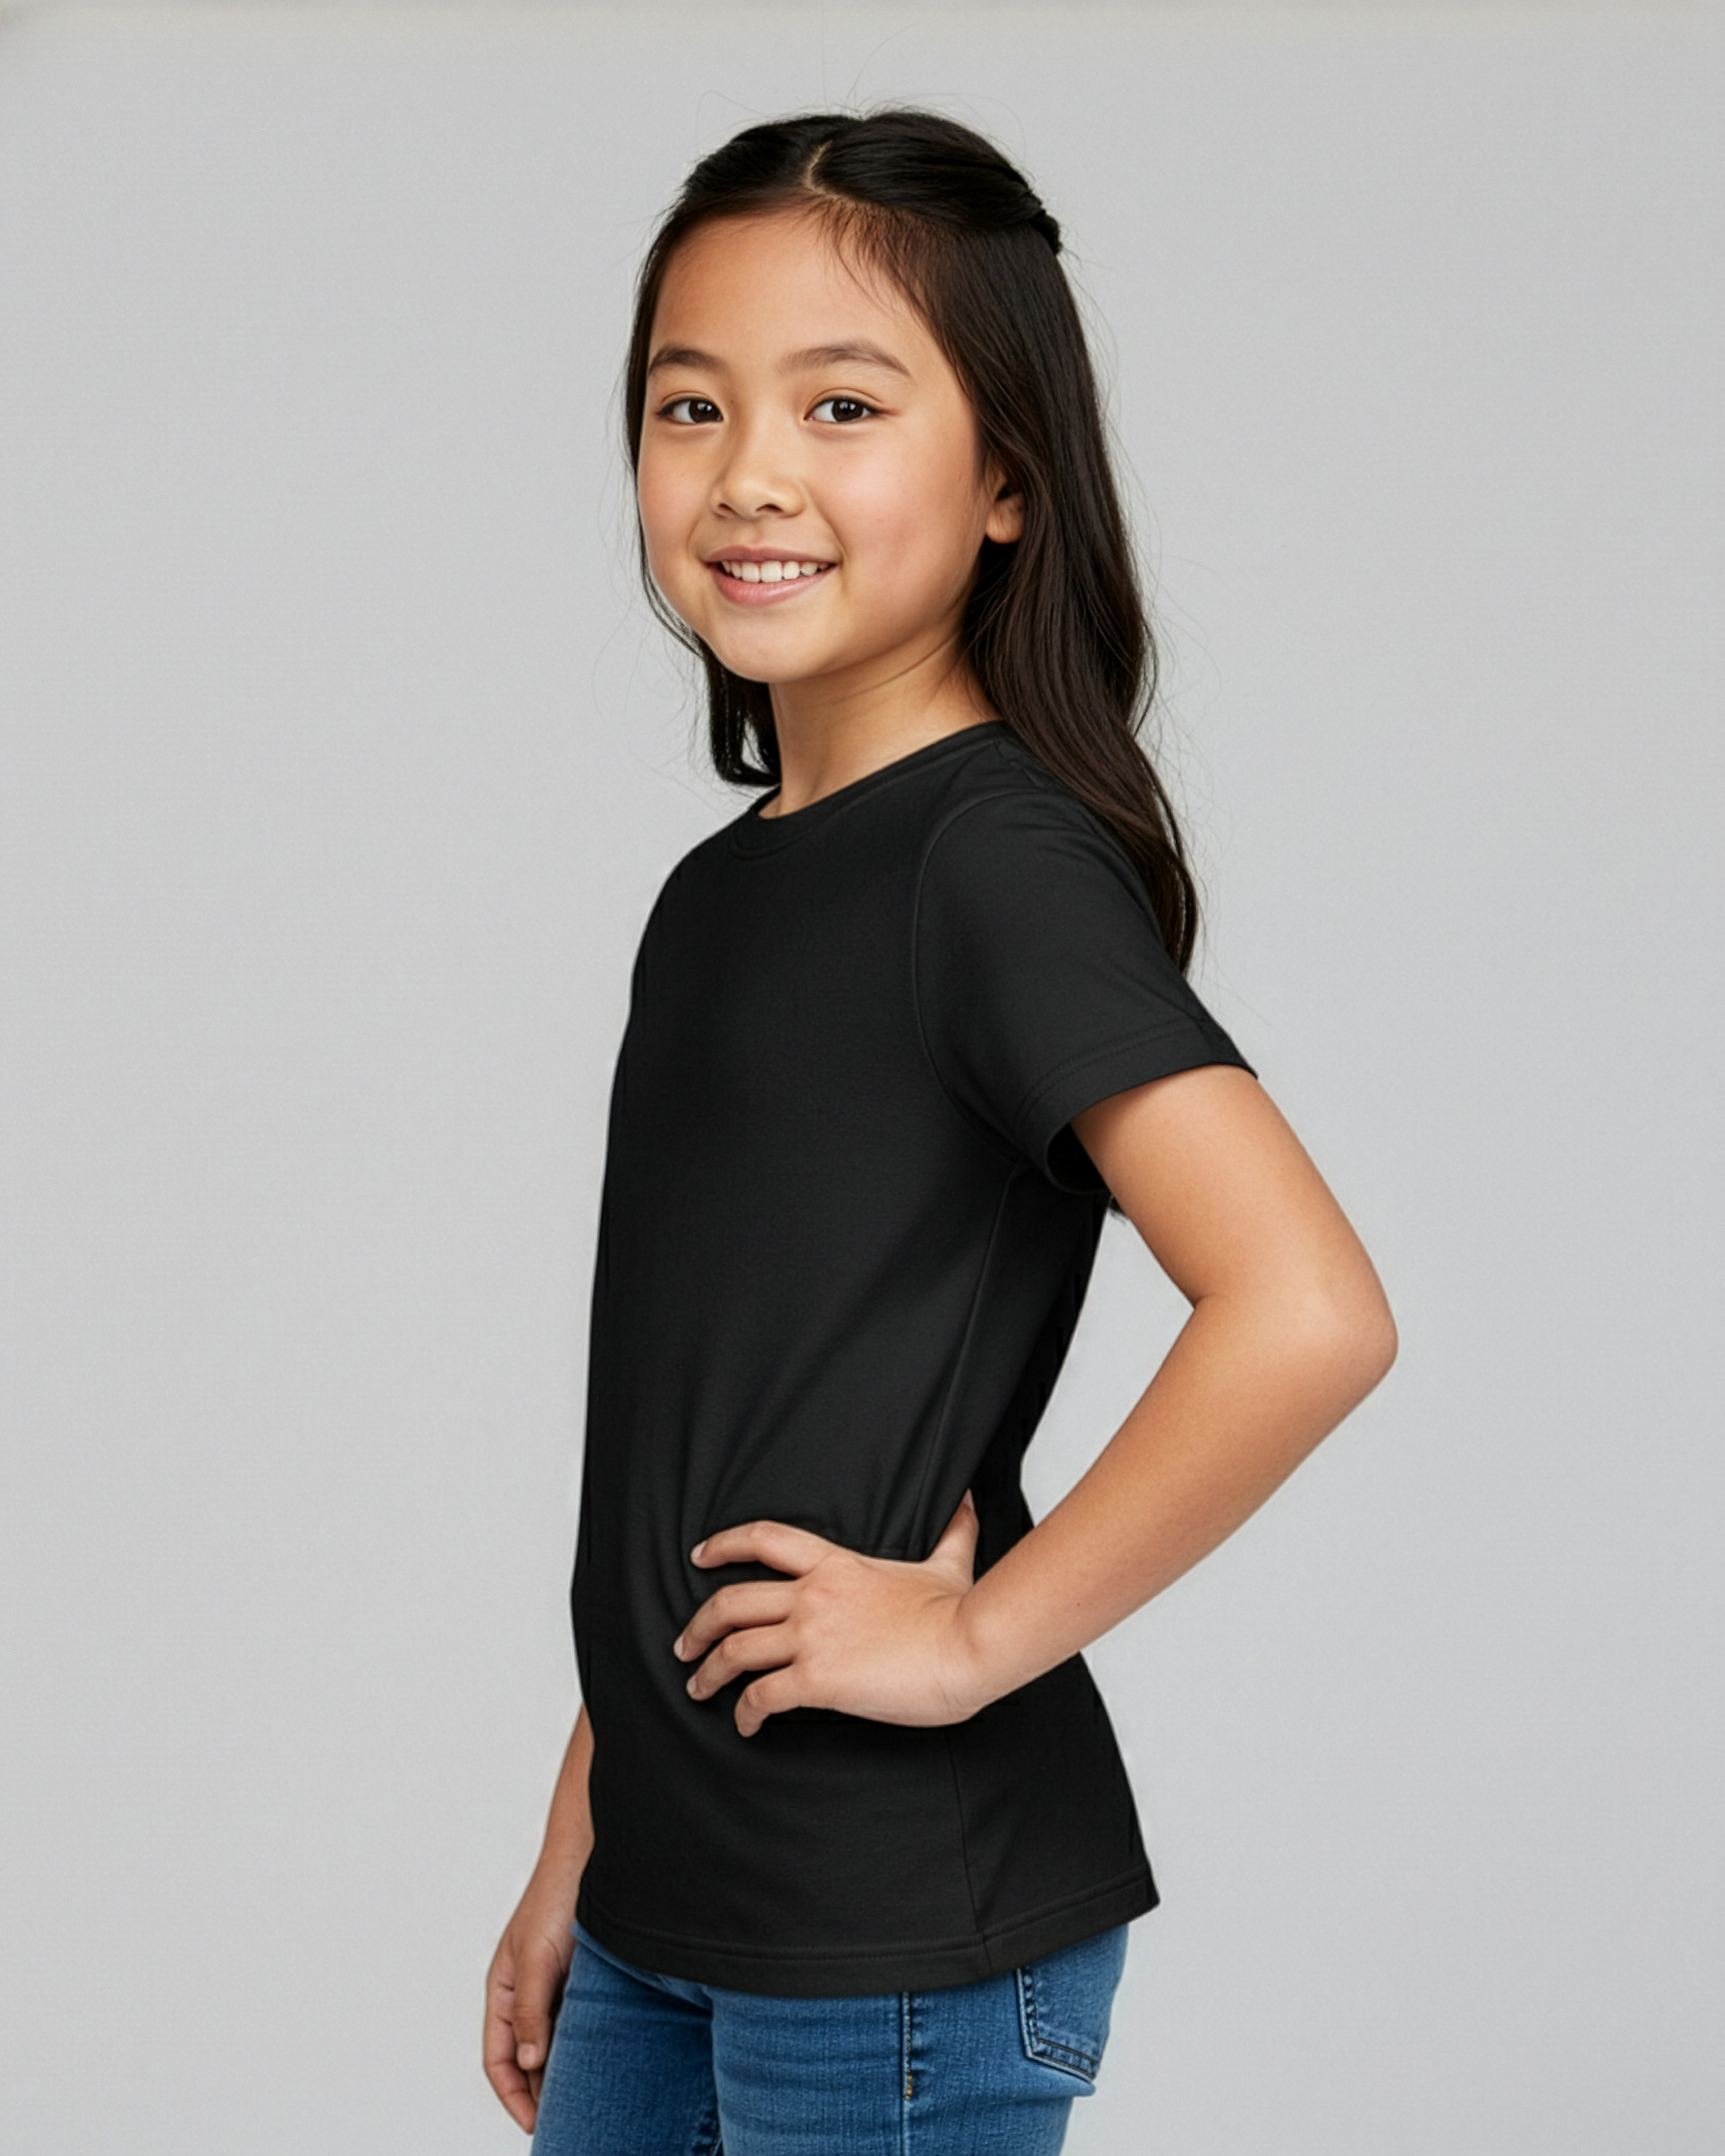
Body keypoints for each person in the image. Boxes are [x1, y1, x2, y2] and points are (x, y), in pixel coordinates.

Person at [483, 106, 1398, 2154]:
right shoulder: (725, 892)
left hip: (891, 1931)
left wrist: (981, 1636)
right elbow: (709, 1434)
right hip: (670, 1897)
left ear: (1007, 481)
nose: (750, 472)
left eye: (843, 404)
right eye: (692, 405)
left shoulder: (989, 865)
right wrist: (579, 1844)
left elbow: (1310, 1310)